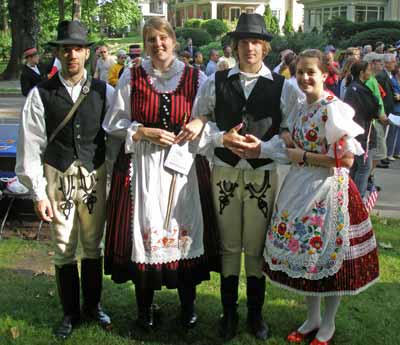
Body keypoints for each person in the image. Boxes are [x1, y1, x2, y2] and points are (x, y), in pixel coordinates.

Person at [180, 13, 300, 341]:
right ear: (235, 46)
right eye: (244, 42)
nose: (250, 48)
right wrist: (222, 139)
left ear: (265, 48)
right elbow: (197, 126)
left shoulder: (283, 87)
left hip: (263, 175)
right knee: (231, 245)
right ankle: (229, 313)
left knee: (256, 247)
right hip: (226, 173)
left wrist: (263, 148)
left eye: (256, 42)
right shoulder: (215, 82)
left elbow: (291, 135)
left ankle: (255, 314)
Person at [103, 17, 217, 331]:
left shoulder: (196, 78)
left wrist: (201, 121)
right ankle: (144, 309)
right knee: (146, 231)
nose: (158, 44)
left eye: (163, 38)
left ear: (174, 40)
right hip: (143, 167)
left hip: (185, 169)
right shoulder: (133, 75)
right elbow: (113, 122)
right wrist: (142, 132)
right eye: (151, 39)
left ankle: (188, 305)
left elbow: (213, 116)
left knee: (185, 229)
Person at [263, 49, 379, 345]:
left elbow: (347, 160)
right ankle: (311, 318)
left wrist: (302, 155)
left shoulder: (333, 108)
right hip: (301, 187)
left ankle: (327, 324)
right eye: (299, 72)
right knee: (307, 257)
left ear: (325, 75)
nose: (303, 78)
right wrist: (288, 138)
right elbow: (290, 130)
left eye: (310, 72)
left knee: (329, 259)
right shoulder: (301, 107)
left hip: (329, 190)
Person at [15, 20, 114, 339]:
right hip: (57, 175)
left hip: (94, 176)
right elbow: (30, 144)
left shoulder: (104, 91)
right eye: (66, 48)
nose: (72, 54)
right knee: (63, 246)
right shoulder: (40, 94)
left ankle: (93, 306)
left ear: (87, 53)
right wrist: (38, 193)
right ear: (58, 53)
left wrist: (113, 178)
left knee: (93, 245)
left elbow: (115, 137)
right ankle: (71, 313)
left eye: (78, 49)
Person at [344, 61, 380, 197]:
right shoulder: (358, 90)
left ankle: (350, 197)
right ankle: (356, 199)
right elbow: (373, 109)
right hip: (362, 133)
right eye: (368, 70)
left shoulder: (354, 88)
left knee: (356, 167)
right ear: (361, 73)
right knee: (364, 167)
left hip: (357, 132)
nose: (370, 73)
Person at [376, 53, 397, 163]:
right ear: (387, 63)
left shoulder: (388, 75)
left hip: (387, 111)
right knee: (380, 136)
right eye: (393, 62)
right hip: (382, 112)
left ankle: (381, 157)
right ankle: (379, 158)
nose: (395, 64)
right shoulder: (381, 76)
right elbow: (378, 95)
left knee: (383, 135)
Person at [387, 64, 400, 159]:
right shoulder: (393, 81)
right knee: (393, 132)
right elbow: (395, 96)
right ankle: (389, 153)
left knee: (398, 133)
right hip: (395, 109)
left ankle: (396, 151)